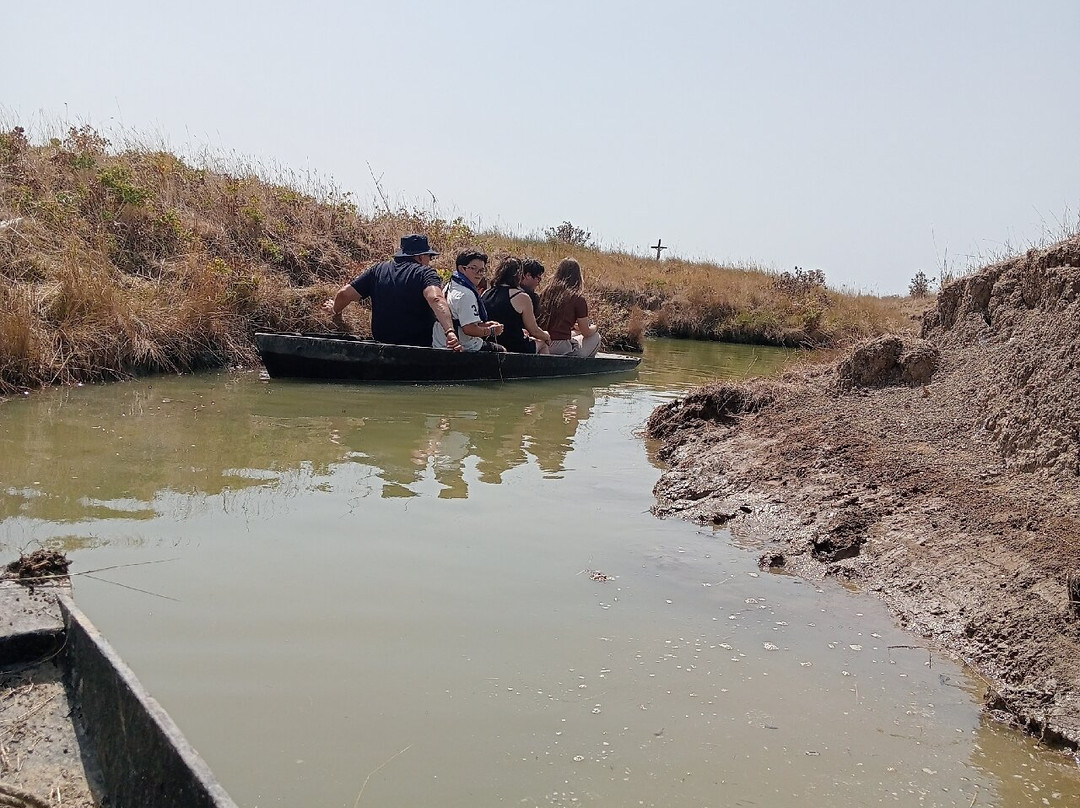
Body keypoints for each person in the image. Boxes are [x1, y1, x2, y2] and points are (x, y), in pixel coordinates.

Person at [323, 234, 461, 351]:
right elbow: (436, 299)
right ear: (420, 257)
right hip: (418, 348)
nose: (429, 262)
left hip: (381, 346)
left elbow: (344, 293)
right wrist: (450, 332)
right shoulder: (425, 273)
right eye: (429, 257)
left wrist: (335, 309)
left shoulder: (378, 270)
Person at [432, 250, 506, 352]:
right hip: (462, 346)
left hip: (440, 342)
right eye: (474, 268)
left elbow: (460, 320)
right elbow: (469, 329)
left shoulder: (451, 285)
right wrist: (491, 331)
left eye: (482, 270)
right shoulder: (465, 294)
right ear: (462, 269)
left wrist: (484, 325)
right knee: (501, 351)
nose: (479, 274)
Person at [480, 257, 551, 354]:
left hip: (491, 343)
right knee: (542, 343)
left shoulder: (486, 293)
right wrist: (546, 336)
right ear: (518, 275)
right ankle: (543, 369)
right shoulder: (521, 296)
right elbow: (534, 330)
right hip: (515, 346)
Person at [536, 258, 601, 358]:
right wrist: (595, 327)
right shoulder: (577, 298)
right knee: (595, 337)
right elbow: (586, 332)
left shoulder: (544, 293)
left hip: (542, 342)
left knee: (577, 333)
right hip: (560, 348)